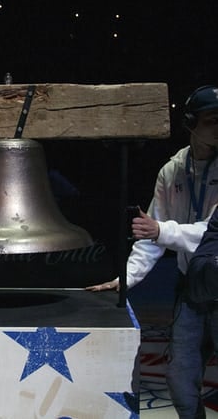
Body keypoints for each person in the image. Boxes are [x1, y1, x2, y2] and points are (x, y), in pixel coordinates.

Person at [87, 85, 218, 418]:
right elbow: (150, 236)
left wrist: (162, 231)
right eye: (212, 120)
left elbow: (211, 232)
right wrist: (126, 279)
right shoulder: (171, 172)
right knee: (179, 377)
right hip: (193, 288)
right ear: (190, 123)